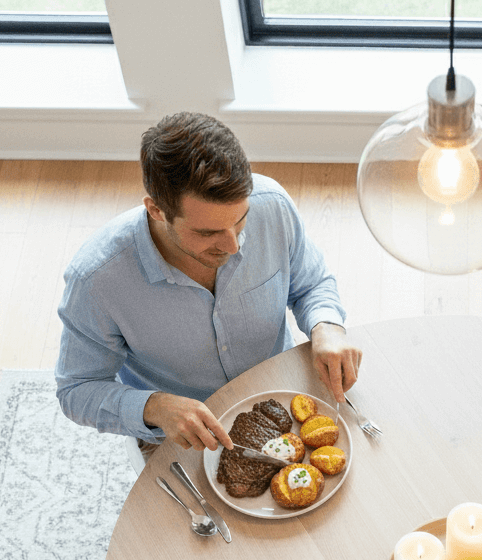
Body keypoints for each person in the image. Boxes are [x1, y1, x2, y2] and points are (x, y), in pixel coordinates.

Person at [55, 111, 361, 454]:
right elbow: (76, 390)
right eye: (207, 233)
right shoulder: (97, 280)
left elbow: (312, 283)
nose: (233, 246)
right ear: (156, 211)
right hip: (182, 436)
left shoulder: (272, 205)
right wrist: (155, 407)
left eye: (240, 221)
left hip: (280, 398)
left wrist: (326, 326)